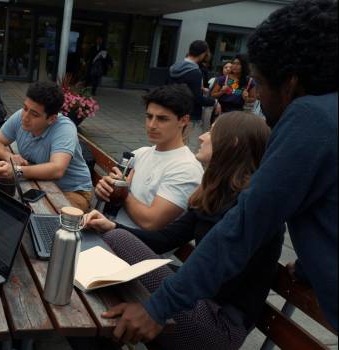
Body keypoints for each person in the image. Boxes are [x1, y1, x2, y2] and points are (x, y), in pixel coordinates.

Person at [101, 0, 338, 342]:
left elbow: (243, 228)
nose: (255, 96)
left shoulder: (311, 117)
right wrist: (310, 267)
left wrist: (158, 308)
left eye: (257, 83)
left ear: (290, 83)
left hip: (219, 323)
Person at [86, 112, 282, 349]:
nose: (202, 137)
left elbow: (221, 279)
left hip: (217, 326)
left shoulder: (252, 209)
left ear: (233, 143)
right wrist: (111, 224)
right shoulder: (215, 193)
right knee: (112, 249)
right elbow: (164, 240)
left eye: (212, 132)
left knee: (117, 242)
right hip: (191, 303)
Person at [95, 84, 204, 231]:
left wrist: (123, 194)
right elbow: (111, 194)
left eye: (162, 119)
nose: (152, 125)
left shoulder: (186, 168)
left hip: (137, 248)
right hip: (108, 231)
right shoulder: (140, 153)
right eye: (149, 116)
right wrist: (104, 191)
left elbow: (150, 222)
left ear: (183, 120)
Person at [0, 81, 93, 211]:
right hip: (39, 183)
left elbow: (57, 169)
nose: (25, 117)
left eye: (34, 114)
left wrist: (17, 171)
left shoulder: (65, 129)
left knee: (34, 216)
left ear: (52, 119)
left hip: (72, 191)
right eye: (25, 108)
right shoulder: (22, 115)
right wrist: (9, 156)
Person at [168, 40, 218, 151]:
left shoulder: (174, 67)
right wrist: (214, 102)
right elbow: (196, 98)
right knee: (182, 144)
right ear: (203, 54)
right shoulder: (195, 72)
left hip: (172, 110)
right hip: (188, 114)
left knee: (171, 141)